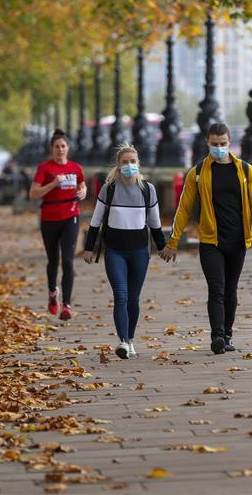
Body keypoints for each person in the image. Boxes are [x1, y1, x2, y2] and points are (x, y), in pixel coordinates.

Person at [160, 123, 252, 355]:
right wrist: (173, 241)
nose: (218, 148)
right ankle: (217, 336)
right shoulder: (198, 173)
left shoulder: (245, 171)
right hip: (210, 241)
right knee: (216, 289)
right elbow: (184, 209)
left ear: (230, 143)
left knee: (231, 290)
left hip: (238, 241)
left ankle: (227, 334)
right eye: (214, 144)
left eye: (223, 144)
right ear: (207, 143)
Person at [82, 145, 166, 359]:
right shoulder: (108, 189)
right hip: (114, 251)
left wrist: (163, 247)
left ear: (138, 164)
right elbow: (95, 221)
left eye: (133, 161)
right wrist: (89, 248)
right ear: (118, 166)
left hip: (139, 252)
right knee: (121, 295)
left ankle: (130, 339)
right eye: (124, 162)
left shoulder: (148, 190)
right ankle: (123, 341)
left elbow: (155, 224)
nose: (129, 165)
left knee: (133, 299)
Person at [30, 130, 87, 320]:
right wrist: (53, 184)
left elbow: (82, 185)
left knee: (68, 261)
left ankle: (67, 305)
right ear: (52, 149)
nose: (60, 150)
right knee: (53, 261)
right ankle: (52, 293)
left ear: (68, 148)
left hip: (71, 216)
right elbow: (33, 194)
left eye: (63, 146)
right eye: (57, 147)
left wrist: (83, 191)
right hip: (49, 219)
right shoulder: (45, 168)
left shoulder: (75, 168)